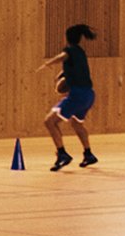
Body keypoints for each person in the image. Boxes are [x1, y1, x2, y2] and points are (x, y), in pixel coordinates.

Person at [35, 24, 100, 171]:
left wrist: (47, 64)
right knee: (77, 124)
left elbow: (63, 56)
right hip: (89, 95)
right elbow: (75, 68)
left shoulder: (69, 51)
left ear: (67, 38)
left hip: (77, 95)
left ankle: (62, 154)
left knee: (49, 122)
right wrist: (62, 75)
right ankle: (88, 154)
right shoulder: (81, 53)